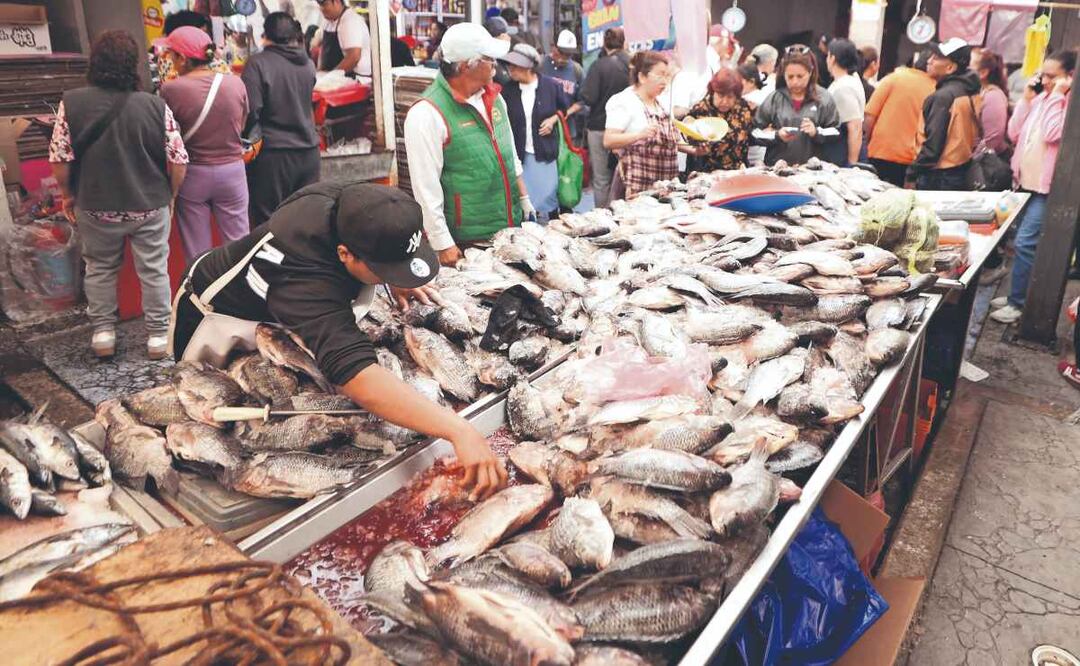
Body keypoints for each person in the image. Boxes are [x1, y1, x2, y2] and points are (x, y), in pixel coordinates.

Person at [168, 182, 508, 501]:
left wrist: (397, 275)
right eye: (383, 268)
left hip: (278, 306)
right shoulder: (303, 281)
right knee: (210, 406)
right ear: (345, 254)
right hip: (216, 316)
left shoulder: (353, 207)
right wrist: (457, 430)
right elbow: (356, 377)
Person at [49, 30, 188, 360]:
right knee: (153, 269)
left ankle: (104, 334)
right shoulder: (155, 105)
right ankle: (157, 337)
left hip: (96, 206)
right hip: (148, 204)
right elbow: (178, 159)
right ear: (133, 66)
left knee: (99, 269)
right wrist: (171, 194)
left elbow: (60, 157)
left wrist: (68, 195)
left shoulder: (72, 102)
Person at [403, 22, 534, 267]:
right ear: (466, 66)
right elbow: (425, 188)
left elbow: (509, 154)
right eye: (489, 58)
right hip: (469, 242)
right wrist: (443, 243)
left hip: (510, 230)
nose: (495, 63)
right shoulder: (427, 114)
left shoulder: (496, 99)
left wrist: (524, 198)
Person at [989, 49, 1074, 325]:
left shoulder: (1067, 102)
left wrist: (1059, 96)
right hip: (1024, 180)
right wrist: (1027, 98)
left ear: (1070, 77)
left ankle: (1018, 303)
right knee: (1021, 242)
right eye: (1043, 75)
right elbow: (1014, 133)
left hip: (1045, 187)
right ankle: (1017, 294)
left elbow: (1052, 134)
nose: (1045, 80)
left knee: (1026, 242)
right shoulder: (1044, 99)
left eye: (1052, 76)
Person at [157, 27, 249, 264]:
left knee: (197, 251)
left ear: (183, 58)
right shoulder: (236, 84)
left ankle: (201, 296)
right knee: (239, 245)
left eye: (171, 55)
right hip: (232, 172)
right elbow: (242, 123)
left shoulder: (170, 89)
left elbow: (166, 135)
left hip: (193, 174)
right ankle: (240, 296)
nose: (169, 60)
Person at [242, 12, 321, 229]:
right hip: (308, 152)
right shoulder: (307, 63)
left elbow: (251, 111)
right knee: (305, 218)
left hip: (274, 155)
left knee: (269, 223)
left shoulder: (257, 64)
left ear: (265, 35)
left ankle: (273, 264)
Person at [604, 51, 698, 199]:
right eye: (660, 75)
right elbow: (609, 140)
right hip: (636, 188)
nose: (665, 81)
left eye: (667, 76)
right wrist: (638, 135)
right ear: (642, 77)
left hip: (667, 188)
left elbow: (674, 141)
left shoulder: (663, 103)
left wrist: (695, 150)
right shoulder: (624, 101)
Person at [500, 43, 575, 220]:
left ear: (528, 66)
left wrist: (552, 120)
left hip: (544, 149)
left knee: (548, 194)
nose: (510, 69)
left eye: (515, 66)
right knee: (525, 196)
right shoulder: (508, 90)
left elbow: (564, 110)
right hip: (519, 151)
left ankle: (551, 225)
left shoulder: (550, 86)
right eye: (509, 65)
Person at [754, 45, 841, 166]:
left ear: (810, 73)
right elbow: (754, 132)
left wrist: (816, 132)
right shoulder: (775, 98)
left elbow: (836, 132)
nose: (795, 82)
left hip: (811, 170)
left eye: (800, 76)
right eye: (790, 77)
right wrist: (777, 135)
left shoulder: (824, 98)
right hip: (777, 168)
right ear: (783, 75)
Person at [912, 38, 981, 191]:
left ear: (950, 67)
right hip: (959, 169)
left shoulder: (943, 97)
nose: (929, 61)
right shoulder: (968, 91)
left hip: (938, 176)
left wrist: (912, 173)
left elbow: (933, 146)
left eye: (936, 58)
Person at [864, 48, 936, 187]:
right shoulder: (936, 89)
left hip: (880, 151)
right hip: (912, 159)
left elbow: (870, 115)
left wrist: (866, 142)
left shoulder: (893, 78)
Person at [581, 27, 630, 209]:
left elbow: (588, 97)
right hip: (627, 131)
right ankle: (623, 214)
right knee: (627, 176)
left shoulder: (599, 65)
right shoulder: (632, 64)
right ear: (624, 42)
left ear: (604, 43)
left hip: (600, 127)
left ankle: (603, 218)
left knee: (602, 179)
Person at [685, 67, 753, 172]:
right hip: (706, 174)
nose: (725, 102)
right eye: (721, 96)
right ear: (713, 92)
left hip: (737, 171)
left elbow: (751, 135)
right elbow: (688, 139)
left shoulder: (743, 109)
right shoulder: (700, 110)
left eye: (730, 97)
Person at [825, 38, 866, 167]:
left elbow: (854, 126)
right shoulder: (848, 81)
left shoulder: (844, 87)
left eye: (828, 55)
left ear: (832, 58)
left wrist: (852, 164)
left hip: (843, 149)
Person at [541, 30, 586, 146]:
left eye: (568, 55)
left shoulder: (576, 70)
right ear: (554, 48)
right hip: (543, 127)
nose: (563, 59)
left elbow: (582, 101)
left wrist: (565, 114)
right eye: (561, 53)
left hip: (568, 131)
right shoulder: (542, 64)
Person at [312, 0, 372, 81]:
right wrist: (320, 72)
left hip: (355, 79)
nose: (321, 8)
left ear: (337, 2)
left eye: (324, 4)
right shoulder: (328, 21)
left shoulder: (350, 21)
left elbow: (354, 57)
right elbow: (323, 49)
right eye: (320, 5)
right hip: (334, 77)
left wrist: (330, 77)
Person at [972, 49, 1010, 156]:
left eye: (968, 65)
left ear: (983, 72)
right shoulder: (977, 91)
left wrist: (974, 157)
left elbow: (993, 138)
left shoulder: (993, 96)